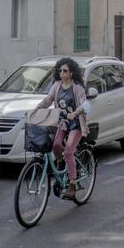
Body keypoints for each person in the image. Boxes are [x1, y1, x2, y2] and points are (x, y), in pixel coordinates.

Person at [30, 57, 89, 200]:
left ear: (71, 73)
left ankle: (72, 183)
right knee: (56, 145)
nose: (62, 73)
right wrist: (36, 109)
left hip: (76, 124)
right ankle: (61, 164)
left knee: (68, 151)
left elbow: (86, 105)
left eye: (65, 71)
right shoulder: (56, 86)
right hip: (62, 123)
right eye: (60, 71)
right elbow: (48, 100)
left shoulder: (77, 87)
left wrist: (74, 113)